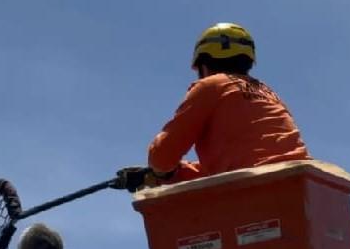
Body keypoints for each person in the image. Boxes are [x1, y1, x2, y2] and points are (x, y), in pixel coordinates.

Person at [117, 23, 311, 191]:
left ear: (203, 65)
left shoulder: (211, 86)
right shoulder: (270, 94)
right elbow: (237, 166)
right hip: (300, 185)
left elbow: (162, 157)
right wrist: (176, 173)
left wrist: (159, 172)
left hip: (254, 192)